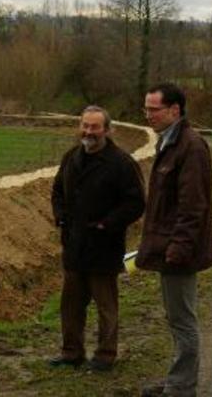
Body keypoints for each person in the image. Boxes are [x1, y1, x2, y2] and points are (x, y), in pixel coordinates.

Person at [50, 105, 145, 372]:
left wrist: (107, 224)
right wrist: (60, 216)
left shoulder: (121, 163)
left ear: (107, 130)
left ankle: (105, 355)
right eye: (85, 126)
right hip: (74, 245)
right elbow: (57, 190)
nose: (89, 132)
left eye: (95, 127)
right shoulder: (71, 157)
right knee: (70, 305)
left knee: (106, 305)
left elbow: (136, 202)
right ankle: (71, 353)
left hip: (104, 247)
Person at [136, 83, 212, 397]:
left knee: (183, 319)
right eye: (146, 108)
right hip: (168, 247)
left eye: (154, 109)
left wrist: (179, 248)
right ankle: (177, 381)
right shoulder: (169, 142)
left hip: (178, 251)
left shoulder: (190, 147)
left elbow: (193, 206)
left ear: (175, 110)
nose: (148, 115)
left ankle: (181, 387)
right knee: (176, 317)